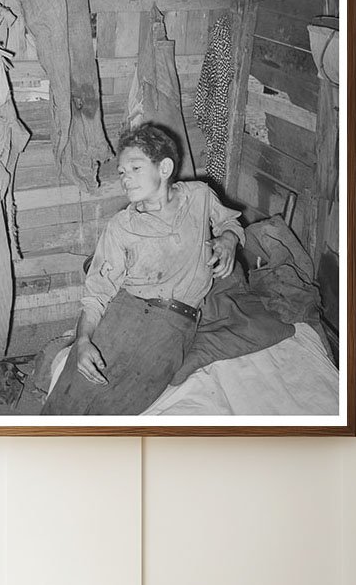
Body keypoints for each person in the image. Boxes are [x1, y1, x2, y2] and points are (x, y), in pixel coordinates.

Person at [42, 123, 244, 415]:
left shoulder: (199, 196)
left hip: (175, 327)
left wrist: (229, 239)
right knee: (69, 399)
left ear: (164, 168)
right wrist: (83, 341)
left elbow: (229, 221)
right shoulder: (121, 226)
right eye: (122, 172)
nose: (126, 178)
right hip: (126, 314)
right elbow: (97, 293)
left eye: (135, 168)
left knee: (118, 410)